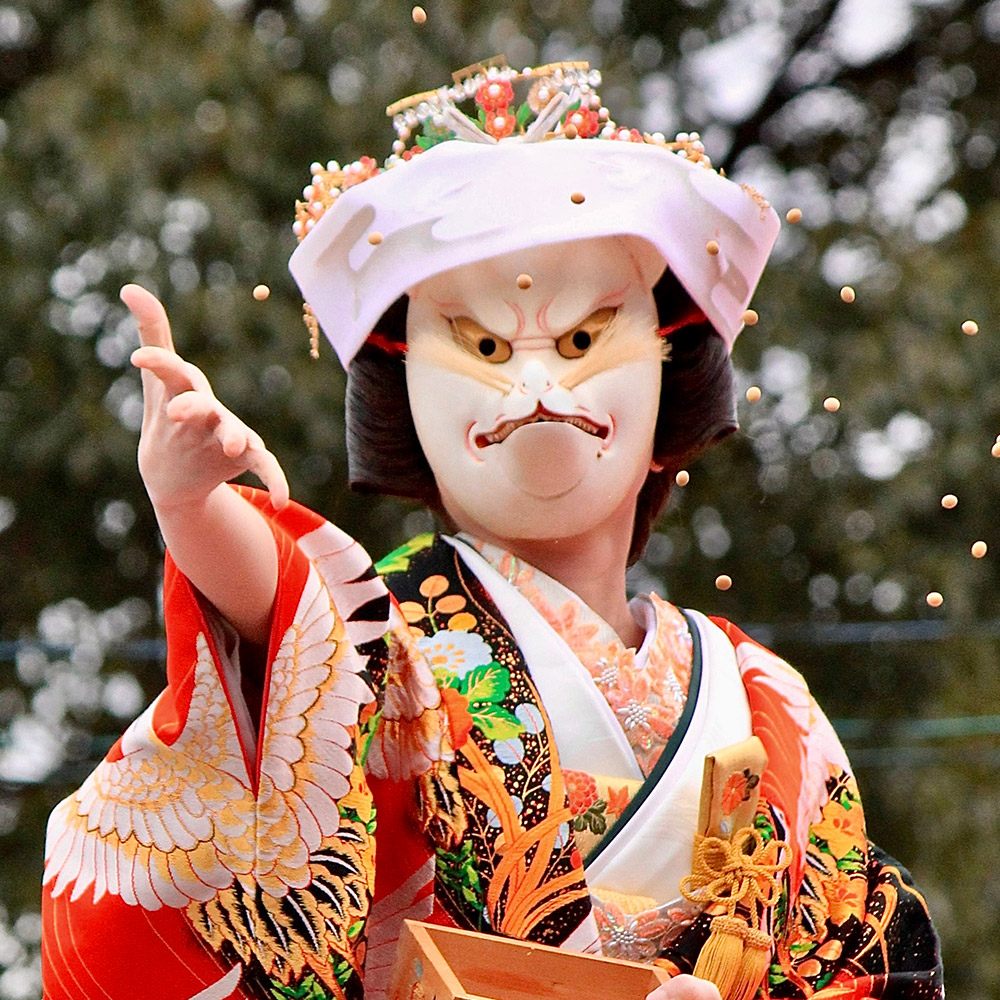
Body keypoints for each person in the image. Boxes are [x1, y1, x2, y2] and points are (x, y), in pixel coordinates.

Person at [40, 60, 942, 1000]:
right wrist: (192, 505)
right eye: (481, 346)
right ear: (404, 395)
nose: (536, 386)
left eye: (586, 338)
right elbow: (293, 617)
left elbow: (863, 959)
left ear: (673, 369)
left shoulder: (768, 700)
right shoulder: (395, 639)